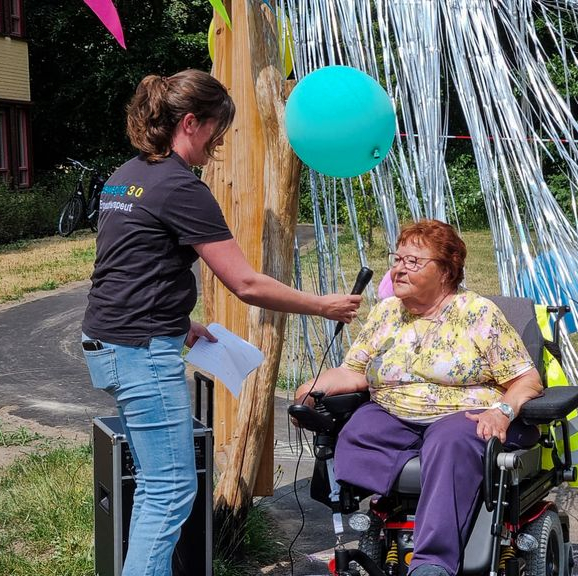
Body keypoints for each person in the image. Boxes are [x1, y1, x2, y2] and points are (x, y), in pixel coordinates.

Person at [80, 69, 362, 576]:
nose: (218, 145)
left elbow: (128, 263)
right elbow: (246, 284)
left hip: (111, 340)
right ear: (191, 123)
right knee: (169, 493)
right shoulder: (180, 186)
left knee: (156, 484)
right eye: (216, 132)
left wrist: (178, 321)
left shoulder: (128, 174)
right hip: (139, 351)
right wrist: (324, 305)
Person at [294, 219, 544, 576]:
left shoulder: (477, 313)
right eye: (397, 259)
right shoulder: (386, 312)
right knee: (357, 431)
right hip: (397, 414)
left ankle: (432, 563)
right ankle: (393, 508)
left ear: (445, 271)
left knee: (448, 443)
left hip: (465, 415)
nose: (398, 268)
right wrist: (311, 387)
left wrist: (502, 411)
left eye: (413, 261)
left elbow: (527, 379)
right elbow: (353, 371)